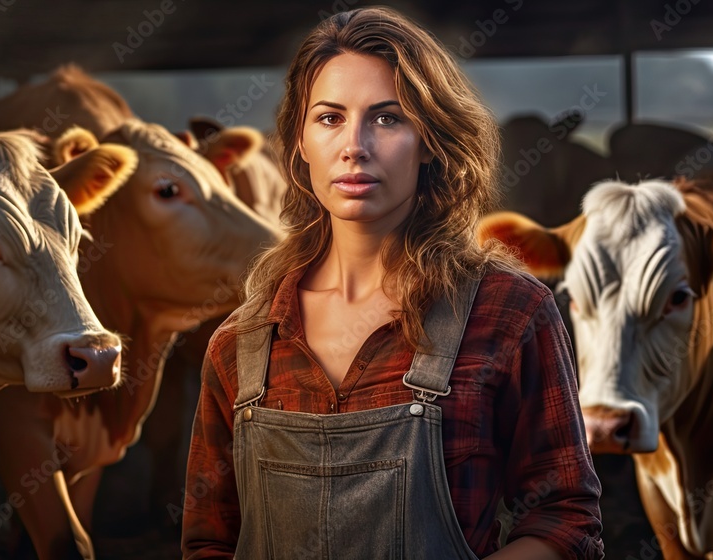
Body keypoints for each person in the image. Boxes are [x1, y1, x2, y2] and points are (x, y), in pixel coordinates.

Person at [181, 6, 604, 559]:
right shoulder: (240, 344)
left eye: (387, 118)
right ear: (299, 145)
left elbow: (566, 518)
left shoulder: (510, 312)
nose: (354, 145)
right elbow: (209, 540)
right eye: (329, 118)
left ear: (430, 141)